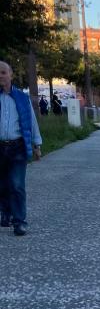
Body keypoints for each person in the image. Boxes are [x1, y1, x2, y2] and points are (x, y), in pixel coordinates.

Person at [0, 61, 42, 236]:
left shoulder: (22, 98)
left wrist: (37, 144)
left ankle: (20, 221)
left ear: (11, 75)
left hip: (17, 147)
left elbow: (31, 122)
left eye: (3, 72)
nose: (0, 76)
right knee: (2, 185)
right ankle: (6, 214)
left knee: (17, 185)